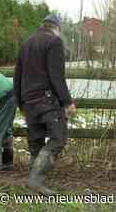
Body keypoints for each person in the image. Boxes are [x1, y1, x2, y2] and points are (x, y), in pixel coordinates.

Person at [13, 14, 77, 194]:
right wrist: (67, 102)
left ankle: (34, 182)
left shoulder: (27, 43)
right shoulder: (54, 42)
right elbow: (57, 76)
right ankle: (36, 180)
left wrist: (20, 104)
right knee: (58, 138)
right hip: (47, 100)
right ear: (56, 28)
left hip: (28, 101)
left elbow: (17, 76)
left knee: (36, 140)